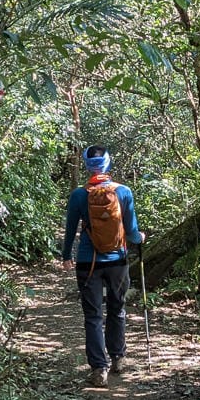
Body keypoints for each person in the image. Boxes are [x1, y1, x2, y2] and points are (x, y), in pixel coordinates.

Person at [62, 145, 145, 387]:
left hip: (88, 263)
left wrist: (66, 255)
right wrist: (140, 238)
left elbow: (70, 230)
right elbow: (131, 232)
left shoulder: (79, 195)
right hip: (118, 260)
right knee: (117, 308)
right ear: (108, 164)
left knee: (93, 316)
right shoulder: (124, 192)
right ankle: (118, 357)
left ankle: (99, 369)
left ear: (88, 166)